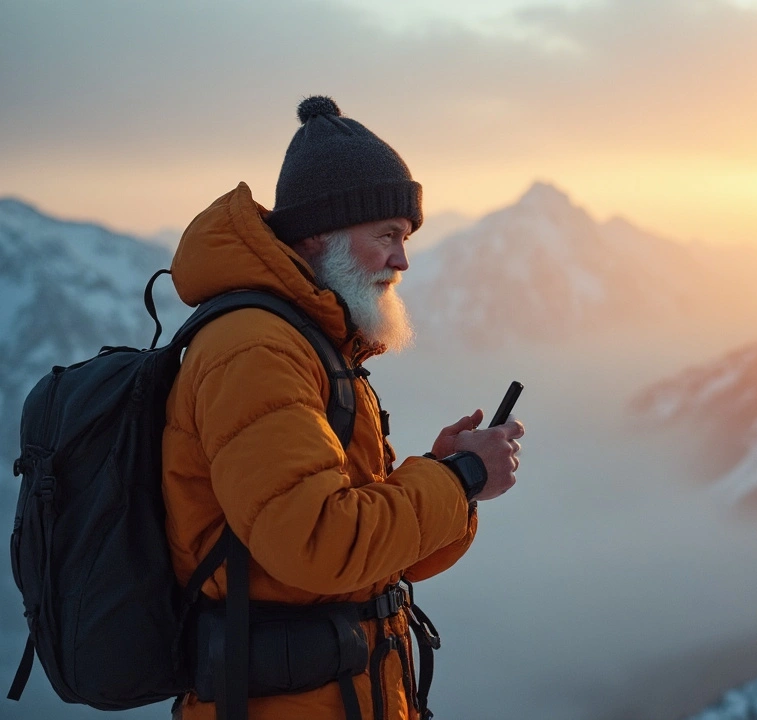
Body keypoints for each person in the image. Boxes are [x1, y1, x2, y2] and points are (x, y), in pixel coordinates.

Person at [161, 95, 523, 720]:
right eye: (386, 235)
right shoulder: (255, 350)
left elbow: (374, 563)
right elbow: (319, 543)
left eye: (403, 237)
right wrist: (459, 476)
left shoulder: (311, 343)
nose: (401, 259)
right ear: (319, 234)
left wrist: (449, 483)